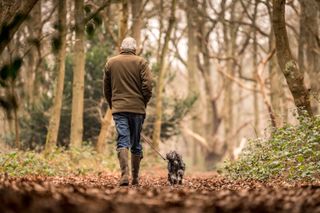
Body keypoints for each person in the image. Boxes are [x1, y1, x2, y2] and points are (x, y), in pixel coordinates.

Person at [103, 37, 153, 186]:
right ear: (134, 49)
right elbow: (148, 86)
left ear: (121, 48)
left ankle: (125, 176)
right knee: (136, 142)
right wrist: (143, 102)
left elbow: (106, 88)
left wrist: (113, 104)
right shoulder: (141, 62)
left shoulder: (111, 63)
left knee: (122, 140)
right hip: (137, 109)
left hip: (119, 109)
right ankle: (135, 179)